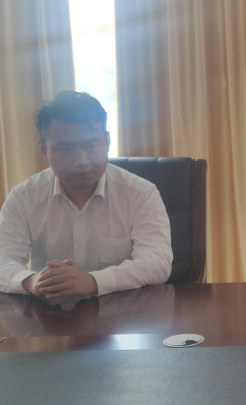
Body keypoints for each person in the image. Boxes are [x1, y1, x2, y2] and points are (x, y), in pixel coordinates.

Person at [0, 91, 173, 299]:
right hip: (49, 310)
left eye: (91, 146)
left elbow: (157, 262)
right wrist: (32, 281)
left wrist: (93, 281)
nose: (81, 161)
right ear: (43, 149)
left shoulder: (141, 193)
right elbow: (3, 259)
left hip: (124, 310)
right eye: (66, 149)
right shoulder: (23, 197)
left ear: (107, 141)